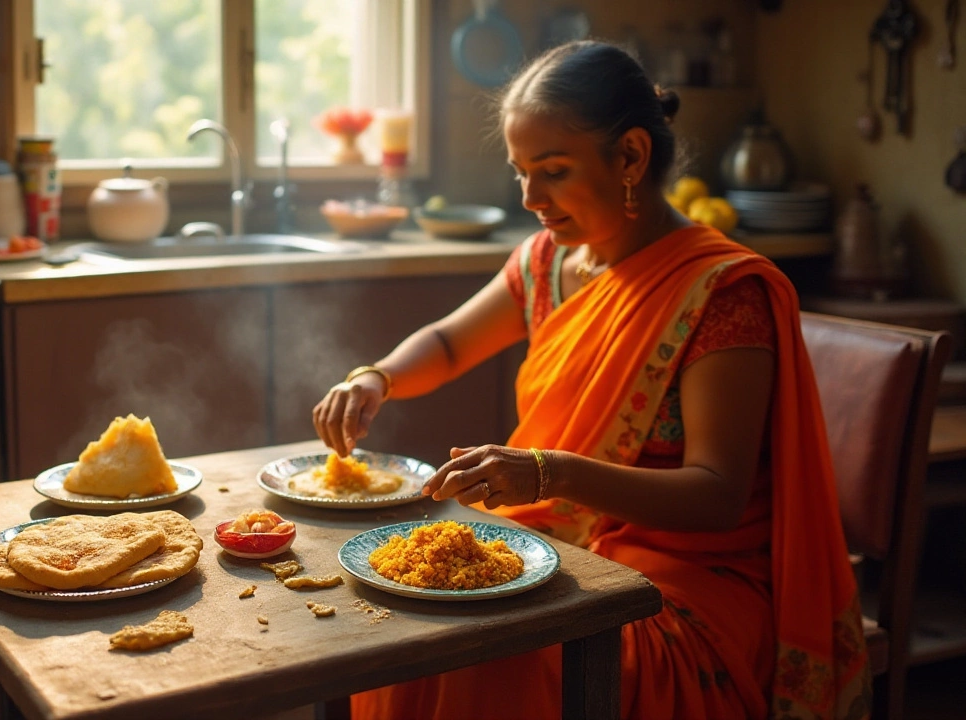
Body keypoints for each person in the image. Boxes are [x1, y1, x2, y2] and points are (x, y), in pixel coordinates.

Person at [313, 41, 870, 720]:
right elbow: (452, 341)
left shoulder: (719, 295)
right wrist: (377, 377)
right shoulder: (550, 260)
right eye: (520, 172)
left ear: (632, 157)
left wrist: (551, 473)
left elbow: (718, 496)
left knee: (488, 651)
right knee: (405, 614)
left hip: (686, 585)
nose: (529, 198)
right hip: (553, 548)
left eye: (552, 171)